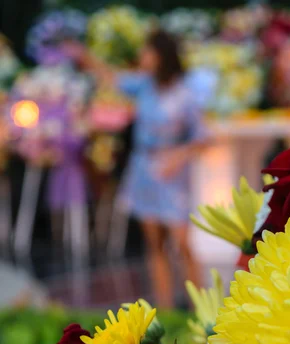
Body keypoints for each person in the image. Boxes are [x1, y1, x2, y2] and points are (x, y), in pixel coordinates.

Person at [67, 30, 216, 307]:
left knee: (182, 242)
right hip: (144, 169)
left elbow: (204, 137)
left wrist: (177, 156)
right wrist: (83, 55)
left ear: (161, 55)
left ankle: (204, 310)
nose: (142, 57)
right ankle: (165, 308)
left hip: (171, 172)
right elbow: (110, 77)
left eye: (147, 52)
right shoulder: (144, 85)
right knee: (154, 243)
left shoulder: (185, 93)